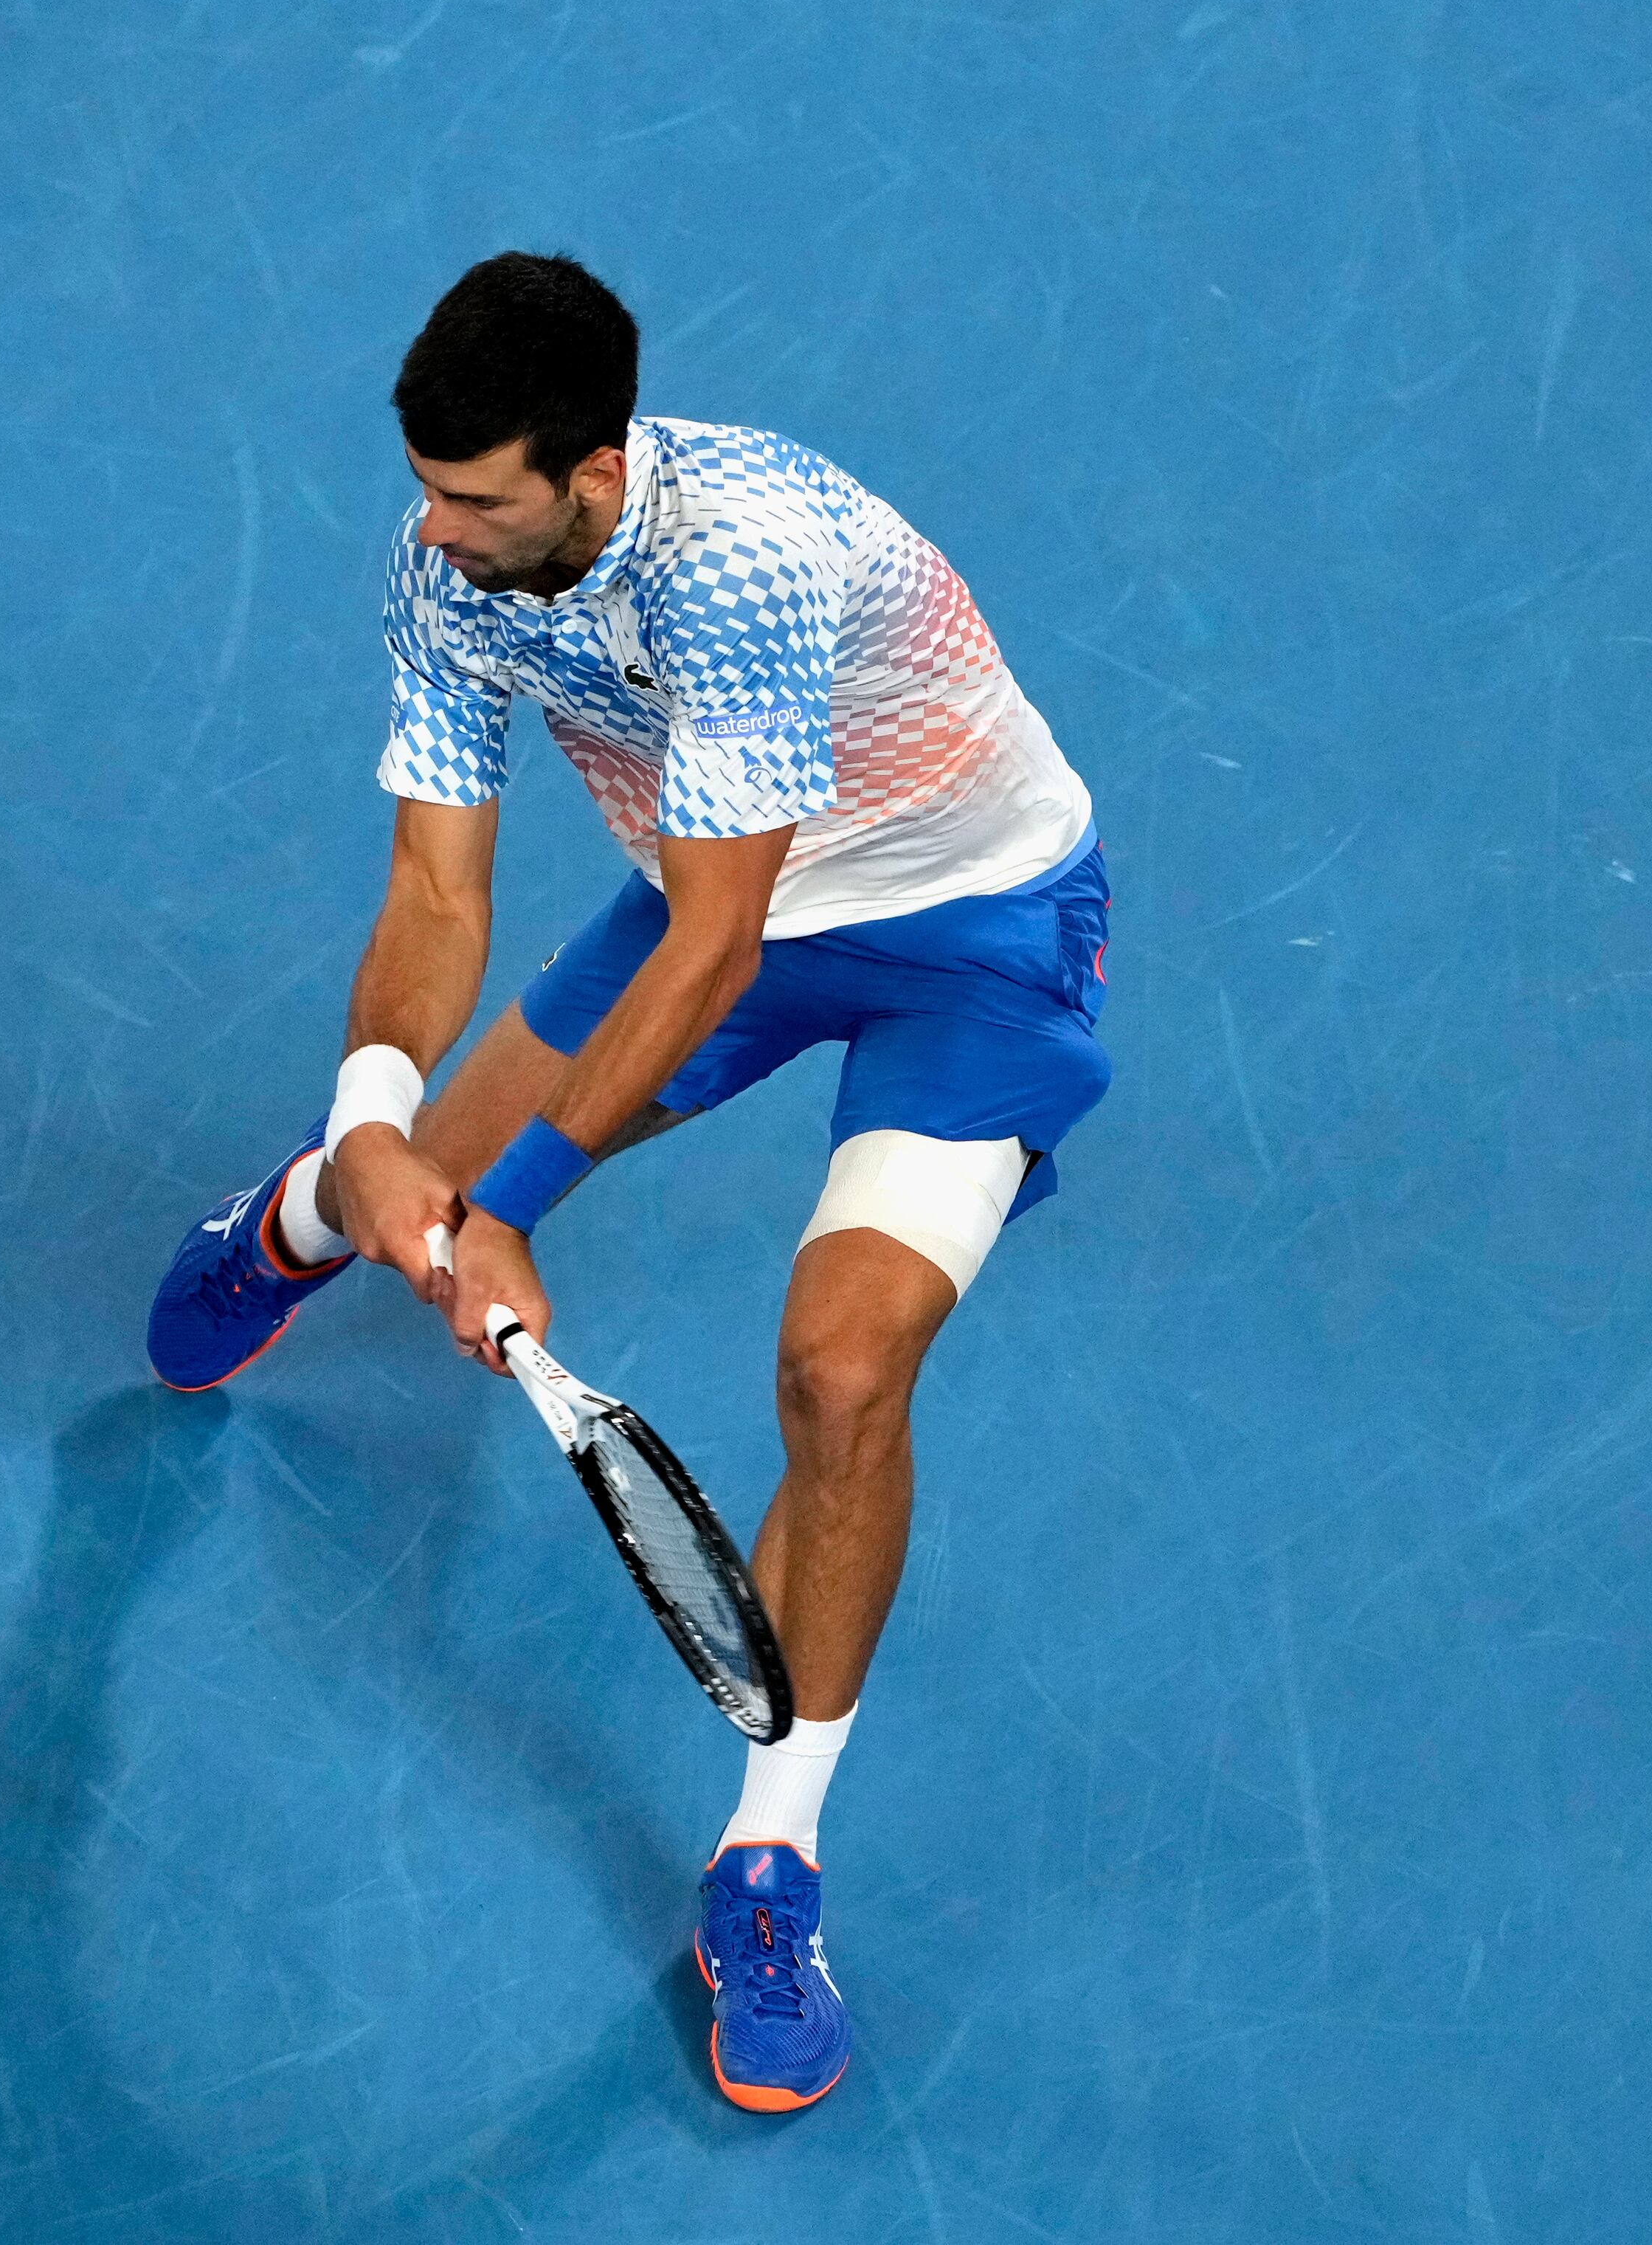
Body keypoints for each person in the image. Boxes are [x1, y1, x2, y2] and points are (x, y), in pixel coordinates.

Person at [144, 252, 1110, 2114]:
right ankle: (297, 1219)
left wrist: (521, 1202)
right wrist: (370, 1117)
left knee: (842, 1371)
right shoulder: (450, 565)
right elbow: (437, 893)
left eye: (477, 496)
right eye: (426, 485)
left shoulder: (735, 554)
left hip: (965, 944)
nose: (432, 528)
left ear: (591, 475)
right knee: (405, 1169)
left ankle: (771, 1857)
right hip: (707, 899)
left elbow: (725, 947)